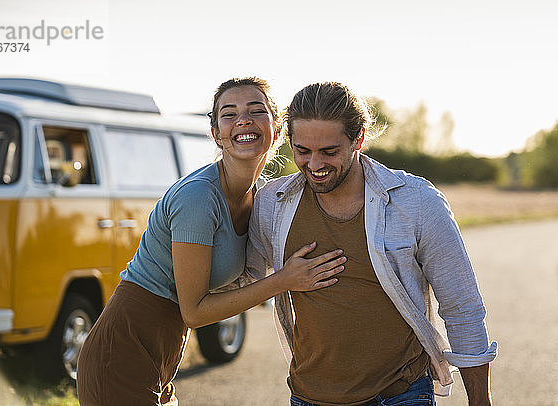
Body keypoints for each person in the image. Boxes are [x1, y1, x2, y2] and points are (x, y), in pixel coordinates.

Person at [76, 78, 346, 405]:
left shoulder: (260, 195)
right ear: (218, 134)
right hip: (120, 353)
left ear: (278, 131)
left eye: (256, 110)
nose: (243, 119)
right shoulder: (198, 198)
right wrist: (284, 281)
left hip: (162, 355)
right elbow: (194, 312)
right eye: (229, 114)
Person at [245, 82, 498, 406]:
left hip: (401, 396)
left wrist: (481, 401)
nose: (315, 165)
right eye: (302, 151)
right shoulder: (272, 203)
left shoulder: (417, 202)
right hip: (309, 397)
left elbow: (462, 307)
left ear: (359, 139)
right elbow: (241, 280)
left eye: (329, 151)